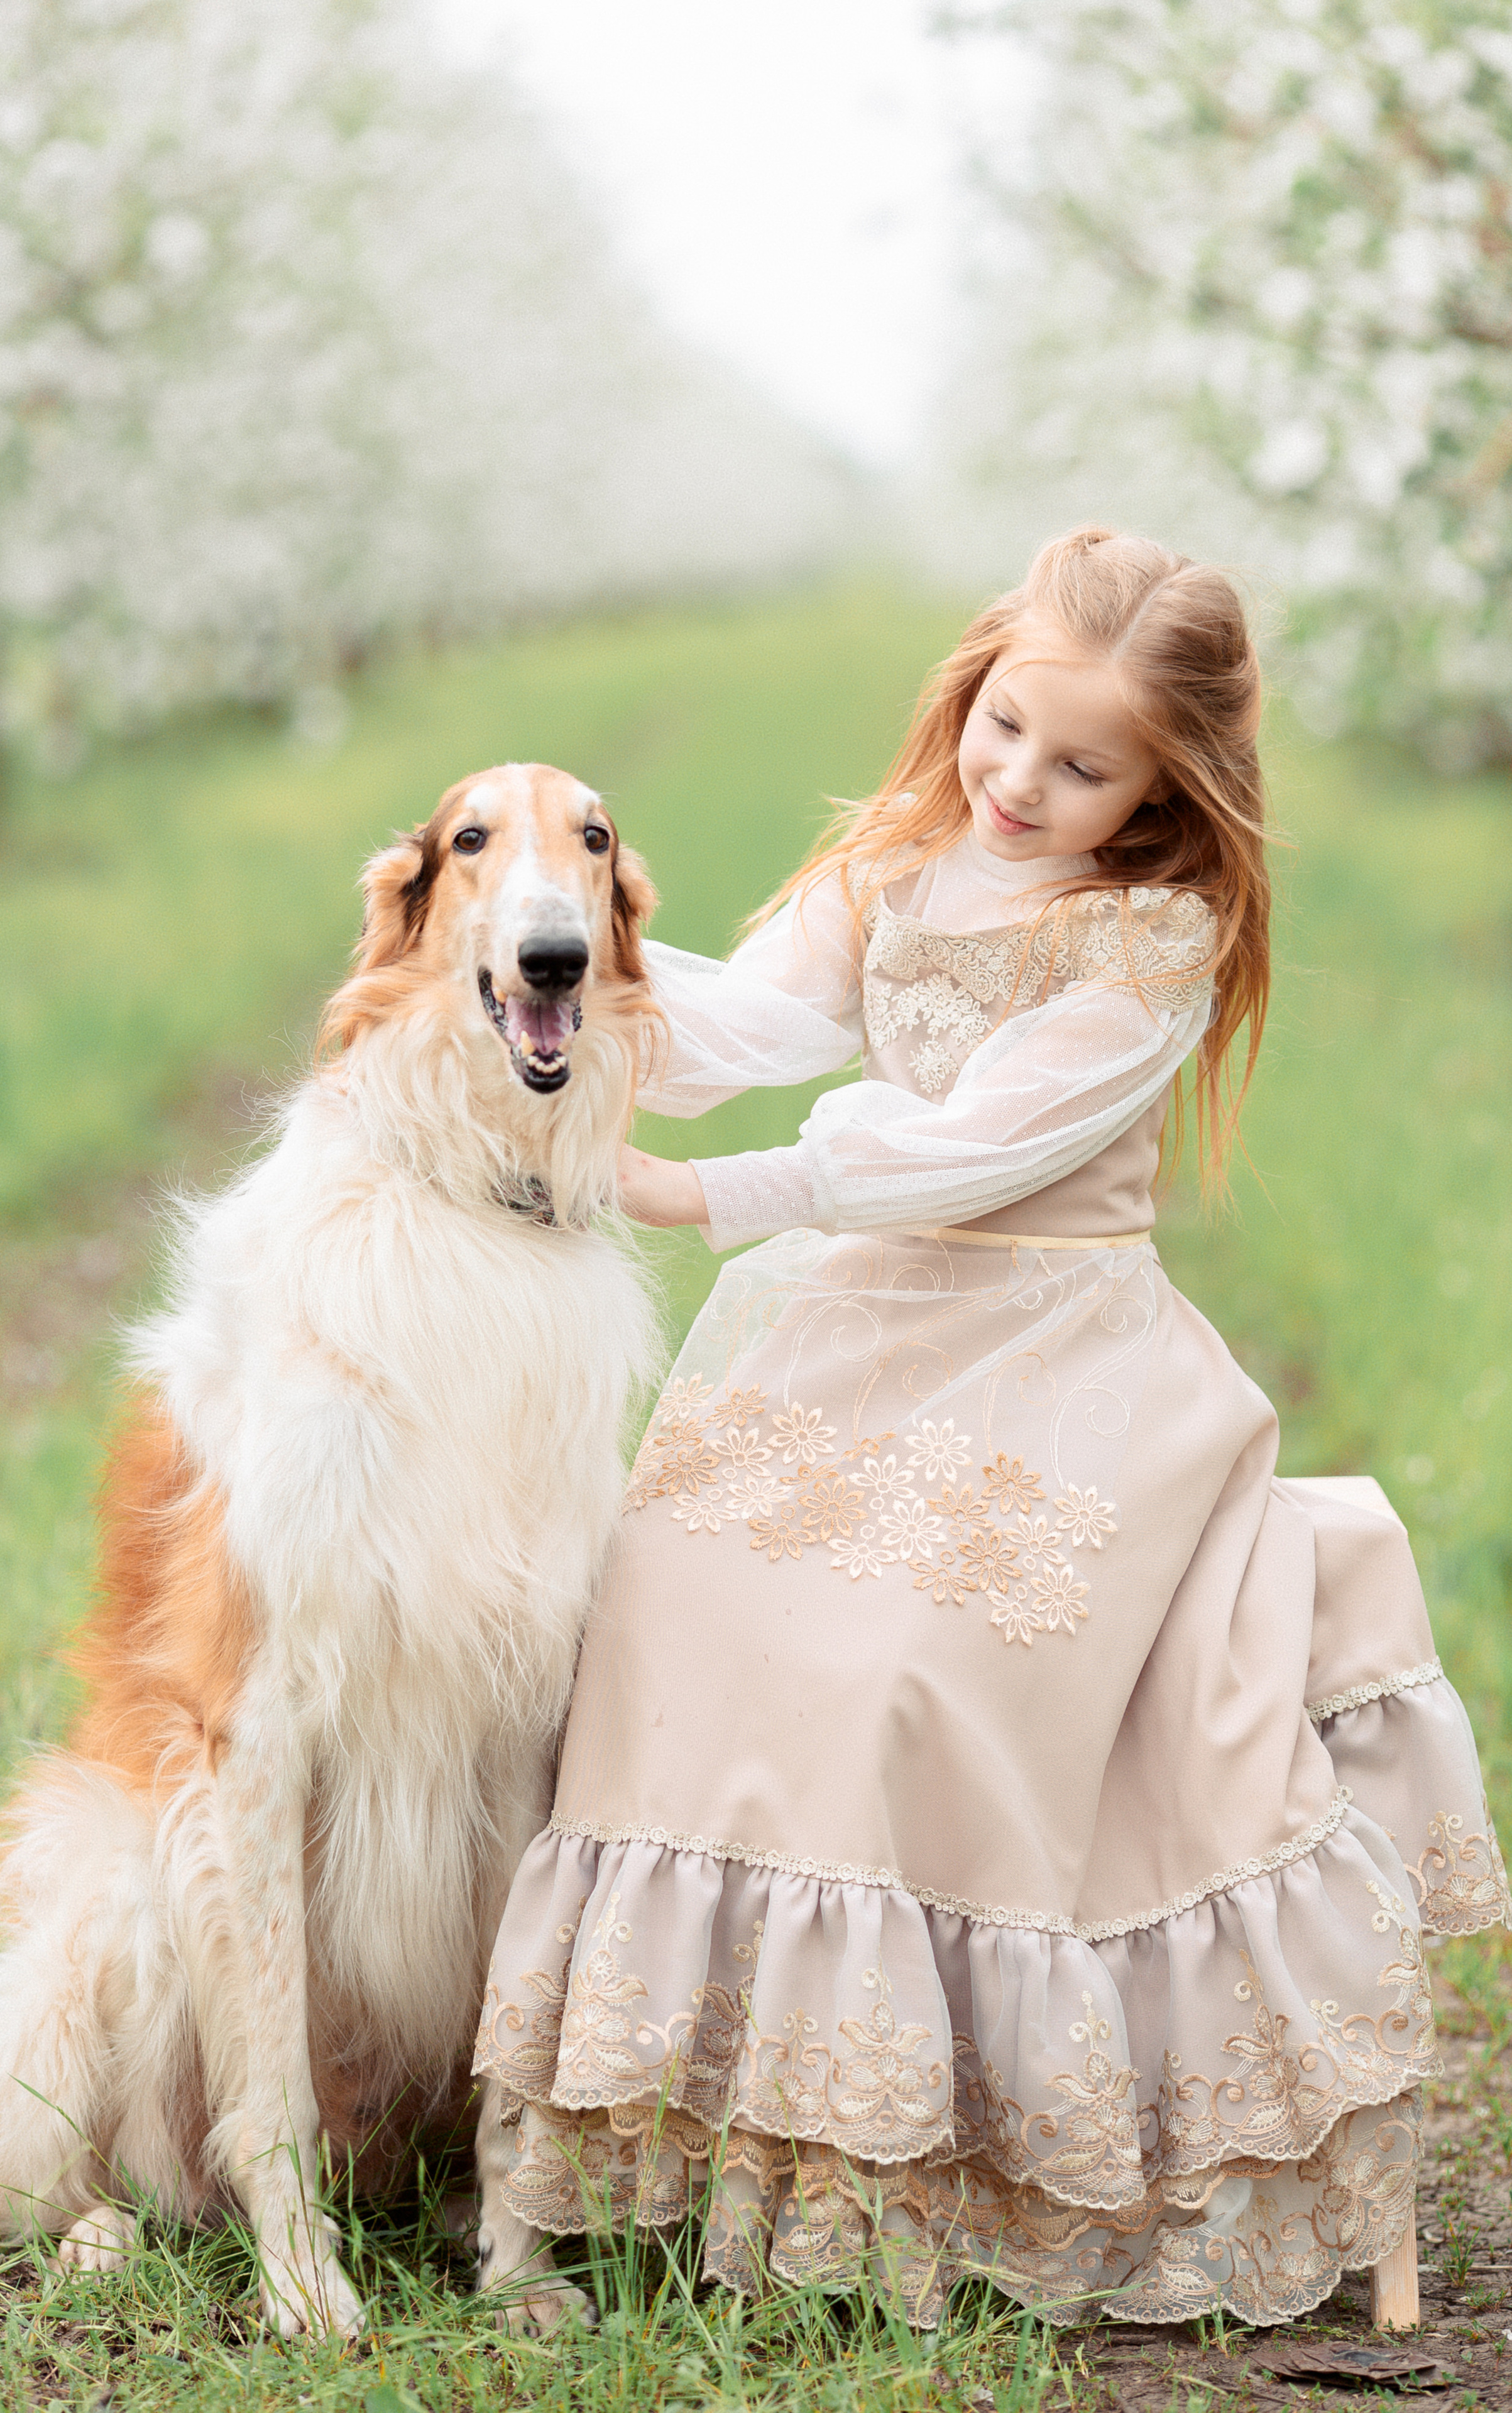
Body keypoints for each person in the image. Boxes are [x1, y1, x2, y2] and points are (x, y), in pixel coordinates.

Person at [473, 527, 1509, 2328]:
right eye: (1007, 728)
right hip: (849, 1327)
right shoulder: (900, 861)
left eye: (1084, 766)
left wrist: (704, 1193)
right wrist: (584, 978)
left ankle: (930, 2141)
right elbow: (754, 1016)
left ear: (1166, 791)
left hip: (1053, 1346)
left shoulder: (1151, 938)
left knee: (906, 1661)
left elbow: (978, 1144)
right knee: (677, 1616)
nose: (1022, 783)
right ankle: (707, 2117)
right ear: (978, 685)